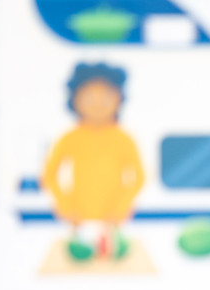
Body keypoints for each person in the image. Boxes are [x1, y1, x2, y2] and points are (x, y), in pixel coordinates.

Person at [42, 62, 144, 262]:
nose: (98, 103)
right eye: (89, 96)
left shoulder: (124, 139)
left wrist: (122, 205)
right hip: (78, 214)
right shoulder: (69, 138)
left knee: (114, 258)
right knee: (78, 258)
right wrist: (65, 205)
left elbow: (139, 176)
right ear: (75, 100)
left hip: (113, 216)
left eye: (106, 96)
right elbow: (50, 174)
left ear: (119, 99)